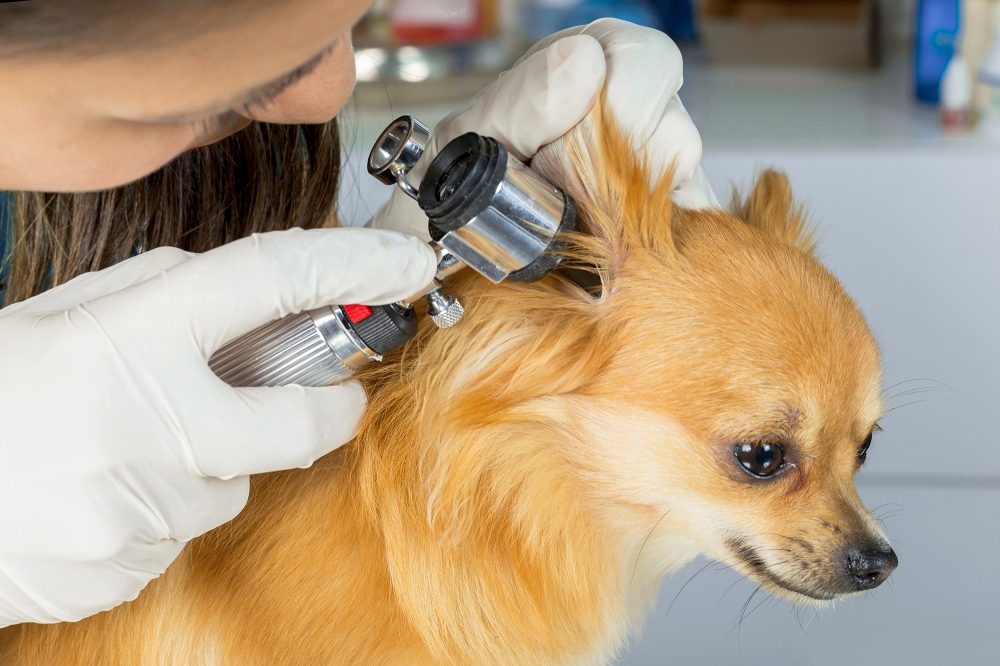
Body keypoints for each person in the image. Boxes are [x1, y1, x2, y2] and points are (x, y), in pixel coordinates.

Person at [0, 0, 715, 628]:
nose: (330, 93)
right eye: (247, 82)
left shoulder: (178, 167)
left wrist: (402, 306)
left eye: (348, 19)